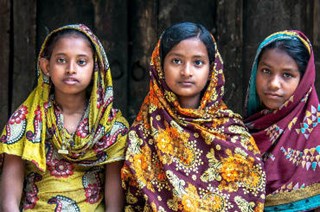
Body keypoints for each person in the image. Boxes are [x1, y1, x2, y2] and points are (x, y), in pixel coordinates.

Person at [121, 22, 266, 211]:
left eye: (198, 62)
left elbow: (249, 191)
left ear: (212, 69)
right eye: (176, 61)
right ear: (159, 64)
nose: (186, 72)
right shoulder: (144, 130)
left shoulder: (231, 132)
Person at [0, 24, 129, 211]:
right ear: (46, 66)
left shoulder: (111, 127)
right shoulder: (26, 120)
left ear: (96, 68)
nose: (71, 69)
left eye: (82, 62)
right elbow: (9, 198)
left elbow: (114, 203)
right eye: (61, 60)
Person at [244, 30, 320, 211]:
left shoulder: (316, 136)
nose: (273, 84)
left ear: (304, 81)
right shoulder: (238, 133)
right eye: (266, 71)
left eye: (287, 75)